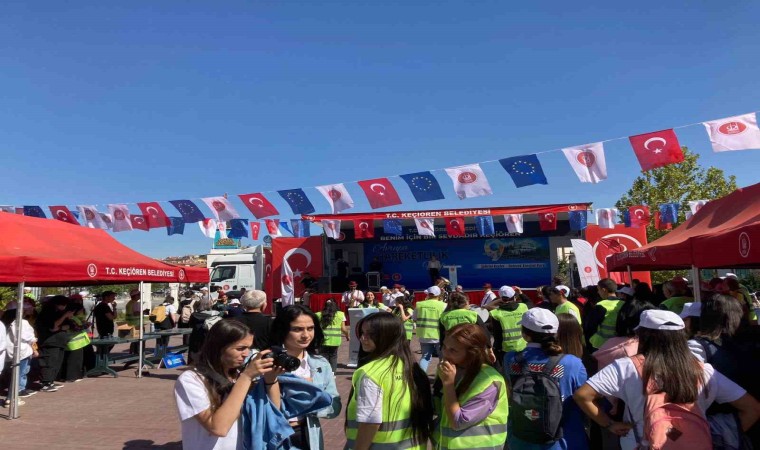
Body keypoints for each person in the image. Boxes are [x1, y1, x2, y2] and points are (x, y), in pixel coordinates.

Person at [575, 310, 760, 450]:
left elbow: (583, 395)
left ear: (644, 336)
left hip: (640, 443)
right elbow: (752, 408)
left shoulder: (625, 367)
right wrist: (714, 433)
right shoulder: (704, 370)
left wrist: (609, 424)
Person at [174, 319, 283, 450]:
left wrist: (271, 378)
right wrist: (246, 377)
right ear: (219, 348)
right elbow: (218, 428)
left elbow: (273, 410)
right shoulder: (191, 379)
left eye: (249, 348)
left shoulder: (239, 374)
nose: (246, 354)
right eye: (240, 348)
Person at [504, 308, 589, 450]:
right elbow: (585, 397)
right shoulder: (572, 363)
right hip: (564, 440)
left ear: (525, 335)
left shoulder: (510, 359)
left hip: (521, 439)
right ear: (555, 333)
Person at [346, 311, 432, 449]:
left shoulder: (371, 373)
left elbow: (370, 422)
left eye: (370, 334)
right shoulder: (412, 368)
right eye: (362, 333)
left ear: (388, 336)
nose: (363, 338)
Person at [270, 305, 340, 449]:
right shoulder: (266, 362)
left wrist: (310, 396)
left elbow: (335, 406)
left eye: (310, 328)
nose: (306, 335)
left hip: (307, 433)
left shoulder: (320, 364)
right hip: (272, 435)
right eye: (297, 329)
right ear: (283, 330)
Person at [433, 323, 508, 449]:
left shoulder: (488, 381)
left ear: (472, 352)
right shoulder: (452, 370)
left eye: (453, 350)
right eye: (444, 346)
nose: (445, 353)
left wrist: (448, 384)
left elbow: (458, 421)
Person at [3, 300, 39, 405]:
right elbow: (28, 337)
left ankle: (11, 397)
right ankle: (11, 398)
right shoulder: (22, 322)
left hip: (9, 351)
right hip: (22, 351)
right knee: (18, 374)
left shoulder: (5, 321)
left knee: (13, 374)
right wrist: (34, 349)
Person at [34, 295, 72, 392]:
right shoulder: (47, 313)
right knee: (49, 362)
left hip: (59, 342)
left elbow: (68, 325)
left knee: (56, 362)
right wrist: (64, 316)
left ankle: (50, 381)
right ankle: (45, 383)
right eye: (63, 305)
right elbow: (53, 326)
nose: (64, 307)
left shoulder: (59, 313)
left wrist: (63, 324)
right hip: (50, 342)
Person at [488, 285, 528, 363]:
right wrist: (520, 293)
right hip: (524, 346)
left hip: (507, 349)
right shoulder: (523, 307)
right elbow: (529, 302)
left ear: (501, 298)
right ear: (514, 297)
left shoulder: (496, 313)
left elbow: (497, 335)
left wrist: (500, 299)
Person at [414, 286, 447, 373]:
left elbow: (414, 318)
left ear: (428, 294)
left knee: (425, 357)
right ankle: (440, 378)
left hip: (424, 334)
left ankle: (421, 378)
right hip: (439, 335)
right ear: (439, 295)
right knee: (442, 358)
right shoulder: (443, 305)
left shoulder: (419, 304)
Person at [586, 278, 624, 352]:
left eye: (598, 289)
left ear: (604, 290)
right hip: (621, 344)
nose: (598, 292)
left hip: (602, 345)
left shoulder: (601, 305)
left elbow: (590, 326)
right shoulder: (624, 303)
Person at [315, 299, 349, 373]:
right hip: (335, 340)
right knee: (333, 356)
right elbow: (343, 328)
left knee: (323, 357)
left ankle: (324, 373)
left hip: (322, 340)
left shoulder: (318, 314)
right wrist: (347, 335)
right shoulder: (340, 314)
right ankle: (333, 373)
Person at [188, 298, 223, 364]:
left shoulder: (194, 315)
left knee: (196, 352)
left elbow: (190, 325)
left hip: (197, 336)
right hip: (211, 335)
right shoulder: (216, 313)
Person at [125, 288, 143, 353]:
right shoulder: (135, 303)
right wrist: (143, 312)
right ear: (135, 296)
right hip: (136, 324)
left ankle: (132, 352)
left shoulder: (129, 303)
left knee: (134, 340)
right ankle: (136, 353)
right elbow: (136, 313)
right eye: (139, 294)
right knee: (138, 340)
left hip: (130, 323)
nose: (140, 296)